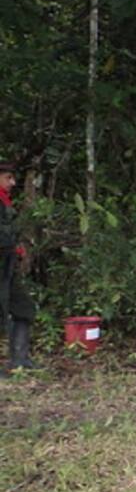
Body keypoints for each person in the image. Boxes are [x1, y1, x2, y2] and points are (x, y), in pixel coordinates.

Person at [0, 160, 38, 374]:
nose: (12, 182)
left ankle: (20, 359)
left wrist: (17, 248)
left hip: (8, 266)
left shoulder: (5, 202)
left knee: (23, 306)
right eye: (8, 178)